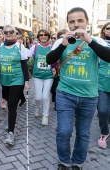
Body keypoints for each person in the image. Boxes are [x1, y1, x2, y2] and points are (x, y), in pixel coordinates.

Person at [46, 7, 110, 170]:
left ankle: (78, 162)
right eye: (72, 21)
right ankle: (64, 161)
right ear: (68, 24)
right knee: (64, 131)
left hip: (89, 96)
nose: (76, 24)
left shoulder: (97, 41)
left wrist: (89, 41)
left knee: (83, 133)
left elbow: (108, 56)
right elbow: (49, 60)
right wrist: (63, 45)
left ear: (87, 22)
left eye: (80, 20)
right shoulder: (61, 42)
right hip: (65, 94)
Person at [0, 24, 30, 145]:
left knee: (12, 105)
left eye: (11, 31)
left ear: (15, 33)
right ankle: (12, 121)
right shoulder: (1, 46)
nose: (8, 34)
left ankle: (10, 132)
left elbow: (24, 65)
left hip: (17, 79)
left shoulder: (20, 47)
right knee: (8, 103)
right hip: (4, 79)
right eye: (6, 32)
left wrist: (26, 82)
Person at [29, 29, 53, 126]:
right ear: (38, 37)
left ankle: (45, 115)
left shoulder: (52, 48)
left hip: (49, 76)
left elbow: (56, 60)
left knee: (45, 96)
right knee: (38, 97)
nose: (43, 36)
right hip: (37, 76)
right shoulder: (34, 48)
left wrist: (55, 68)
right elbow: (28, 59)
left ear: (48, 36)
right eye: (41, 35)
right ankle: (38, 107)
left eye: (45, 35)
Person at [97, 22, 110, 149]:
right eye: (108, 28)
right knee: (103, 110)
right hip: (102, 84)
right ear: (104, 31)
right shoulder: (99, 44)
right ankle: (104, 133)